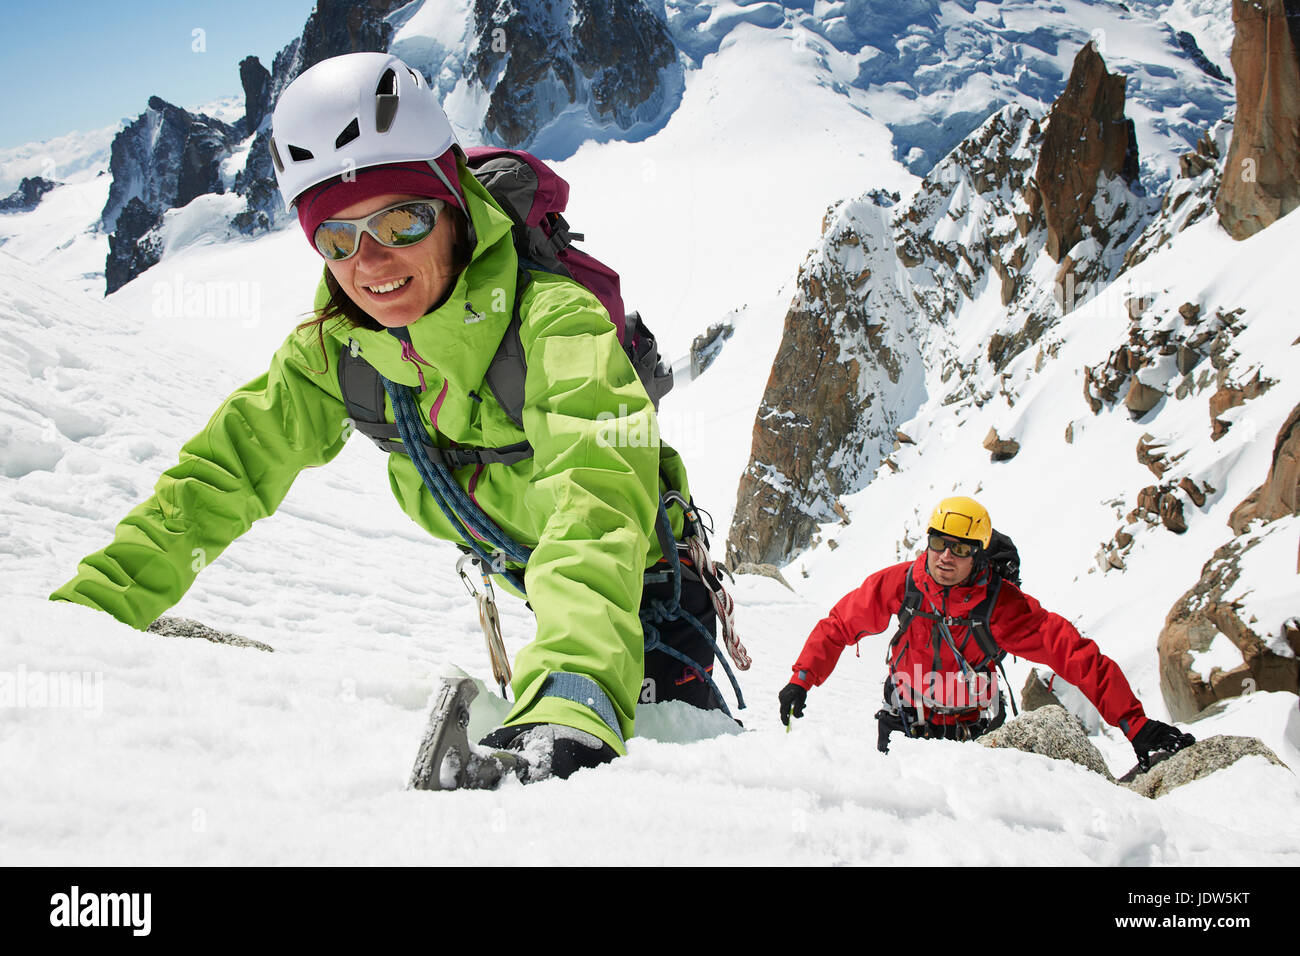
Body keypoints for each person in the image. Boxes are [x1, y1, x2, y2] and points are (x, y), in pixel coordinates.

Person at [50, 52, 736, 785]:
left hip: (645, 584)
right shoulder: (340, 351)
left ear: (452, 205)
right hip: (545, 581)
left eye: (401, 220)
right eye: (336, 239)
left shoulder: (553, 323)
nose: (370, 262)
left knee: (678, 767)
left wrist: (570, 696)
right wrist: (86, 617)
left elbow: (598, 494)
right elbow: (223, 476)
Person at [778, 496, 1194, 769]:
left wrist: (1135, 725)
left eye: (960, 548)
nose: (945, 556)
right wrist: (802, 680)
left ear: (978, 555)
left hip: (974, 742)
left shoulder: (1001, 606)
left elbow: (1077, 656)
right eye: (939, 542)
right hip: (903, 731)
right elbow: (839, 626)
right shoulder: (901, 584)